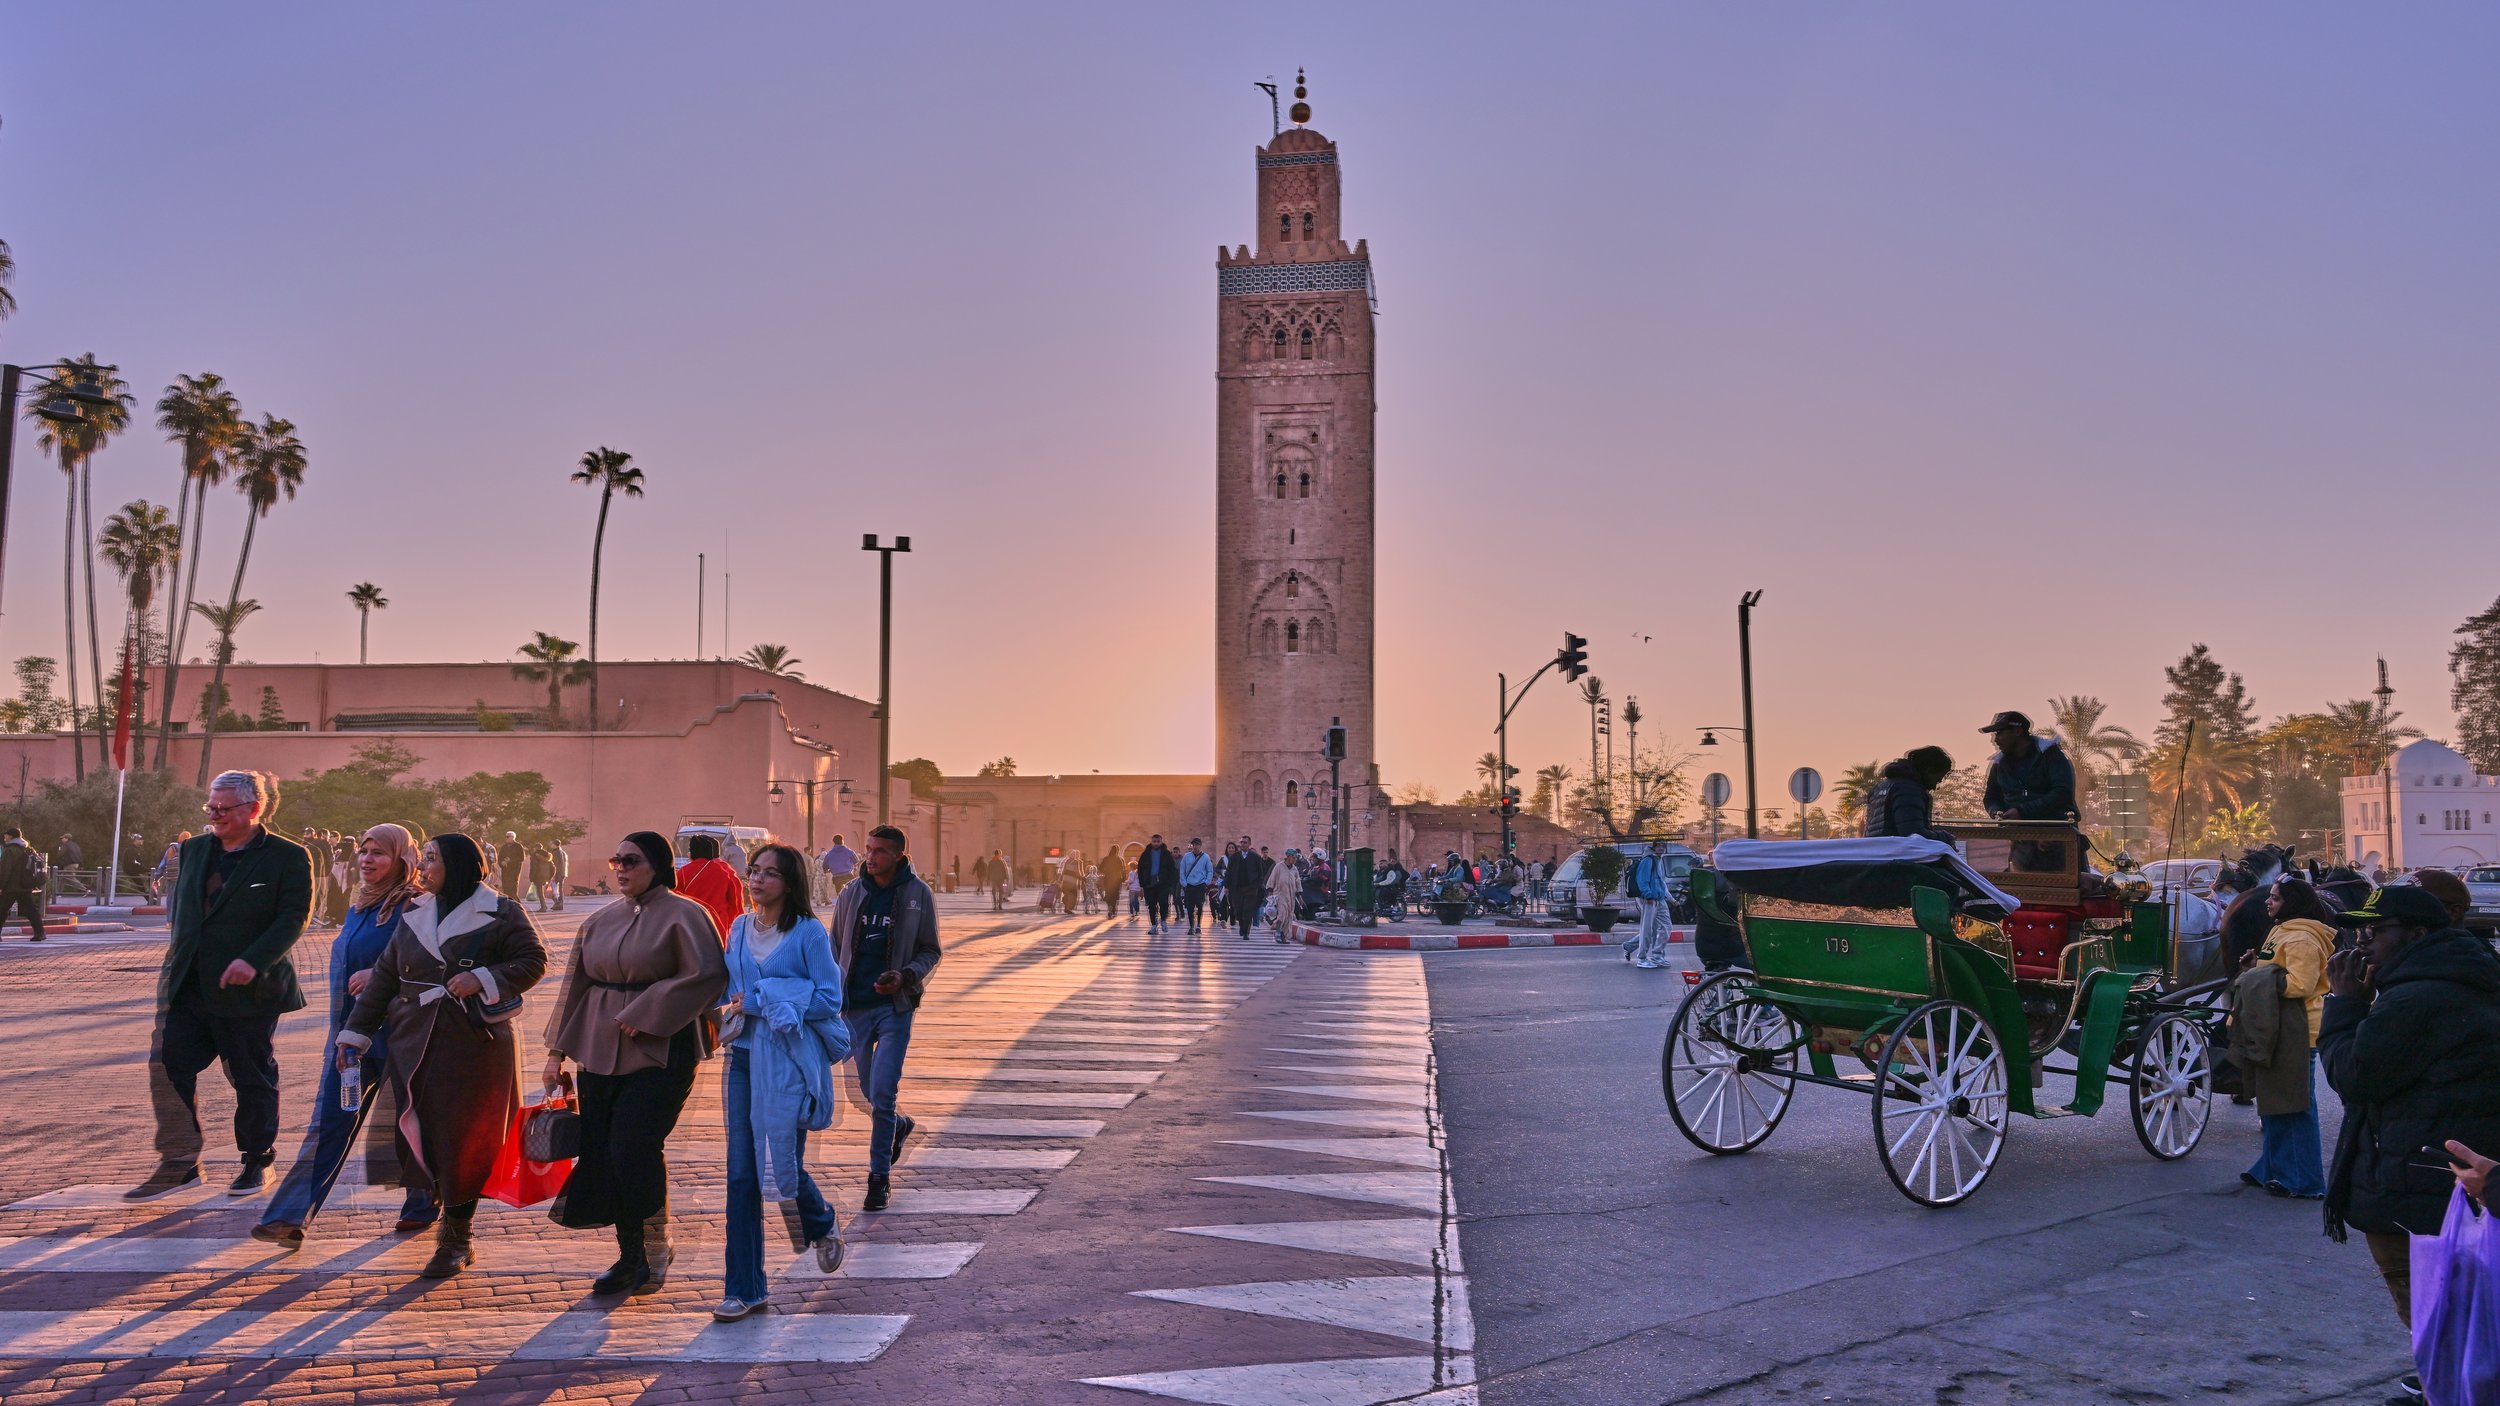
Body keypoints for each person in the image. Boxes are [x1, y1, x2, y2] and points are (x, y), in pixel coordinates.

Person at [335, 833, 548, 1277]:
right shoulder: (415, 911)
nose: (424, 867)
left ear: (457, 864)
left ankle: (456, 1237)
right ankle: (438, 1207)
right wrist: (354, 1034)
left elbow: (533, 960)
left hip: (474, 1046)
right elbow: (386, 977)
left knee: (465, 1141)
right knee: (421, 1135)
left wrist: (485, 978)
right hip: (415, 1043)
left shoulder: (502, 911)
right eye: (425, 857)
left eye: (432, 859)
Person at [2319, 884, 2500, 1401]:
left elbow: (2355, 1074)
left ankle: (2446, 1387)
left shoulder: (2419, 996)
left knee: (2433, 1309)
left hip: (2419, 1186)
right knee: (2459, 1314)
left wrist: (2342, 1004)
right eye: (2361, 931)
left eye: (2377, 932)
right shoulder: (2458, 976)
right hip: (2442, 1179)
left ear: (2417, 935)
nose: (2364, 943)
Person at [542, 831, 729, 1296]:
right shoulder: (602, 919)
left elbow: (708, 975)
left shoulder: (687, 915)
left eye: (632, 860)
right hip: (600, 1047)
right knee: (604, 1147)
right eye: (616, 859)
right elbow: (576, 986)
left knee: (635, 1146)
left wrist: (648, 1011)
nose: (621, 868)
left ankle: (653, 1247)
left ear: (658, 865)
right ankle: (629, 1256)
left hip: (663, 1048)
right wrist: (555, 1053)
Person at [127, 771, 313, 1201]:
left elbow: (293, 917)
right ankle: (182, 1162)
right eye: (210, 807)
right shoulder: (193, 849)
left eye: (223, 809)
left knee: (249, 1076)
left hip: (249, 989)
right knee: (170, 1068)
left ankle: (256, 1159)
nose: (214, 816)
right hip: (188, 986)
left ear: (254, 809)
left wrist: (253, 959)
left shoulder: (287, 856)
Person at [257, 824, 437, 1245]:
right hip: (351, 1041)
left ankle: (423, 1201)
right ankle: (289, 1215)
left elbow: (436, 966)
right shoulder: (360, 907)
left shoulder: (418, 906)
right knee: (330, 1125)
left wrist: (381, 975)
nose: (367, 860)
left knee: (409, 1124)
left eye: (379, 853)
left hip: (404, 1036)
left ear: (402, 859)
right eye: (363, 851)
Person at [715, 843, 848, 1321]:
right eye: (754, 870)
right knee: (741, 1174)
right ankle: (745, 1288)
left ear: (789, 883)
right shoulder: (738, 927)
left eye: (770, 873)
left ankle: (820, 1219)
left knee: (780, 1162)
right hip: (743, 1058)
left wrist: (767, 998)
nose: (758, 880)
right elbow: (728, 987)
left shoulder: (808, 932)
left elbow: (829, 999)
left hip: (786, 1060)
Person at [829, 825, 943, 1212]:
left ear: (898, 855)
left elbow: (931, 949)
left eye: (879, 851)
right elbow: (834, 947)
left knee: (883, 1092)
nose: (870, 857)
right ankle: (898, 1125)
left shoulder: (917, 894)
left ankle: (878, 1178)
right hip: (854, 1008)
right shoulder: (851, 893)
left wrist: (906, 976)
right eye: (868, 849)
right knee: (865, 1090)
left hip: (895, 1009)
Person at [2234, 878, 2335, 1199]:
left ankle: (2305, 1181)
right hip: (2276, 1026)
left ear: (2292, 903)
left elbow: (2300, 985)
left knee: (2296, 1108)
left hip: (2295, 1030)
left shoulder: (2302, 939)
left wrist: (2257, 977)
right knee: (2275, 1104)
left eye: (2276, 899)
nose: (2269, 902)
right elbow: (2272, 970)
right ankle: (2272, 1168)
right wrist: (2254, 968)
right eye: (2271, 897)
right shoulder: (2283, 930)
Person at [1978, 711, 2077, 822]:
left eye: (2000, 733)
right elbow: (1990, 798)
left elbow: (2062, 793)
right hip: (2014, 831)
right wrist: (1997, 812)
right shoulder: (1999, 764)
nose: (1995, 740)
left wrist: (2022, 811)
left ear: (2017, 731)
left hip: (2055, 829)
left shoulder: (2051, 756)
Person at [1863, 747, 1955, 838]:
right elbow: (1914, 835)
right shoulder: (1908, 791)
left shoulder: (1879, 787)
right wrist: (1944, 837)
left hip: (1879, 849)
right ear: (1929, 771)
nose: (1935, 787)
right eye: (1937, 780)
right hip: (1897, 851)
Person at [676, 834, 744, 944]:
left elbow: (674, 900)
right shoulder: (724, 871)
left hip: (690, 926)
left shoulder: (682, 872)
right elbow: (735, 903)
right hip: (718, 925)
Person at [1626, 841, 1677, 969]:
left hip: (1660, 900)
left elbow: (1661, 883)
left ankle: (1657, 955)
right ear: (1653, 847)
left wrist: (1671, 899)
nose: (1661, 848)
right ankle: (1642, 958)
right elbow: (1643, 880)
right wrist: (1648, 895)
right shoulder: (1648, 860)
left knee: (1666, 927)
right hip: (1650, 900)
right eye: (1658, 846)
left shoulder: (1658, 861)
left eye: (1663, 846)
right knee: (1647, 930)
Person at [0, 826, 46, 943]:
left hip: (11, 887)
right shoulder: (28, 848)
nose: (4, 837)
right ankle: (40, 933)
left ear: (11, 836)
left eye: (6, 835)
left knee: (2, 910)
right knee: (31, 910)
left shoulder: (9, 850)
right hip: (25, 885)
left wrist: (1, 886)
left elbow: (5, 870)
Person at [1135, 834, 1179, 934]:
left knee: (1163, 903)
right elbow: (1140, 869)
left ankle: (1163, 920)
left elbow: (1172, 869)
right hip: (1149, 884)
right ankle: (1154, 925)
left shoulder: (1166, 854)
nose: (1156, 843)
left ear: (1161, 841)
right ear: (1151, 841)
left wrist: (1170, 883)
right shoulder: (1146, 854)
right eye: (1154, 841)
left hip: (1163, 884)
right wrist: (1142, 883)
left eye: (1158, 841)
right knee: (1151, 905)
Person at [1178, 838, 1215, 935]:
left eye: (1197, 844)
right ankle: (1191, 926)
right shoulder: (1186, 856)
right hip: (1189, 885)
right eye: (1193, 844)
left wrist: (1207, 882)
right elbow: (1182, 870)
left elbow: (1210, 870)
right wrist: (1184, 883)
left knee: (1199, 905)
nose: (1195, 846)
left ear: (1200, 845)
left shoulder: (1205, 857)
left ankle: (1198, 925)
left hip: (1200, 885)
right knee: (1190, 907)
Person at [302, 827, 334, 930]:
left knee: (323, 894)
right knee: (311, 895)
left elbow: (328, 857)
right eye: (305, 833)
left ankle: (320, 916)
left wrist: (327, 870)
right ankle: (313, 916)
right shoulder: (303, 843)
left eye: (308, 833)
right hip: (310, 873)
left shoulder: (319, 843)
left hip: (321, 873)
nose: (306, 835)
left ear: (313, 833)